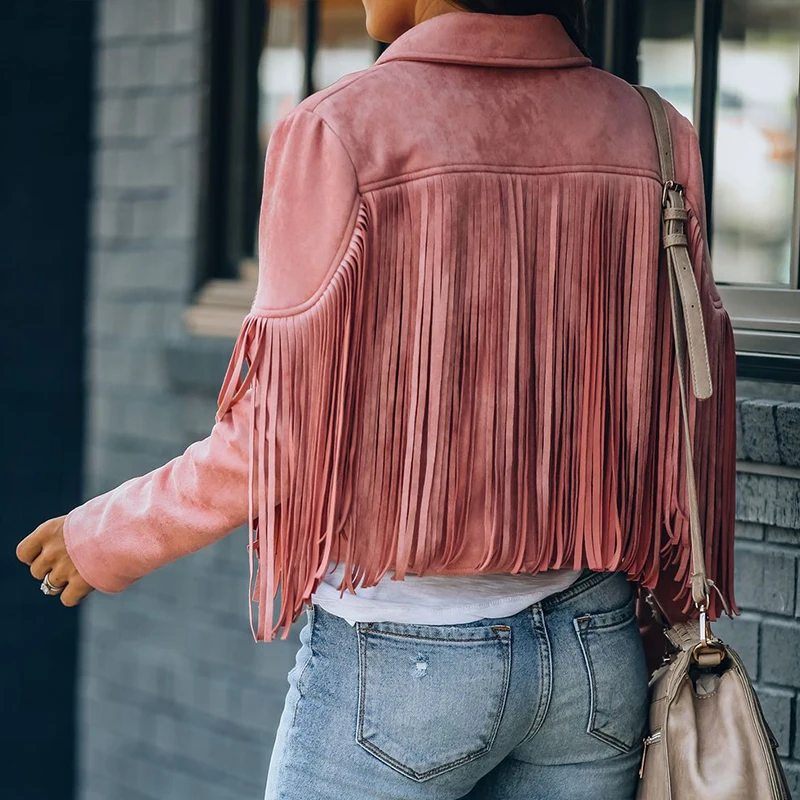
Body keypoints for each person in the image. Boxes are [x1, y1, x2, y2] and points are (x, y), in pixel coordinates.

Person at [16, 1, 740, 797]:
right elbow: (687, 407)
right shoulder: (654, 133)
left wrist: (108, 535)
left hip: (405, 663)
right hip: (595, 655)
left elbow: (280, 435)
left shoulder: (341, 130)